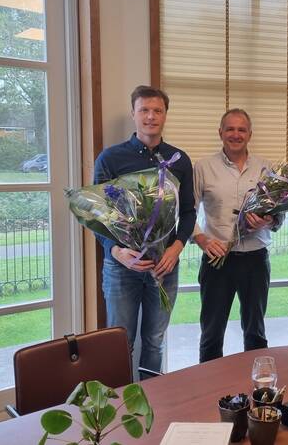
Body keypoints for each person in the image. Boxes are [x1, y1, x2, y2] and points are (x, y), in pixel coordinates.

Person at [93, 85, 196, 377]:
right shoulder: (111, 159)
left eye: (157, 111)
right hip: (122, 267)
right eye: (144, 110)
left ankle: (152, 398)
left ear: (165, 115)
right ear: (133, 114)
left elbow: (188, 211)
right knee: (118, 343)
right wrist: (116, 251)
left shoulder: (179, 160)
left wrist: (176, 249)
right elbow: (98, 214)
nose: (151, 117)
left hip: (164, 266)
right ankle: (119, 401)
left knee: (154, 341)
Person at [193, 109, 279, 362]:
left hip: (255, 259)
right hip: (217, 261)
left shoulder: (265, 168)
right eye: (230, 129)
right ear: (220, 132)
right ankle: (210, 384)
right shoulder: (203, 167)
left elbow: (278, 214)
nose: (236, 134)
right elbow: (187, 212)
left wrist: (268, 220)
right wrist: (202, 240)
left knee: (256, 333)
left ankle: (258, 384)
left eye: (242, 130)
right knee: (211, 333)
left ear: (250, 134)